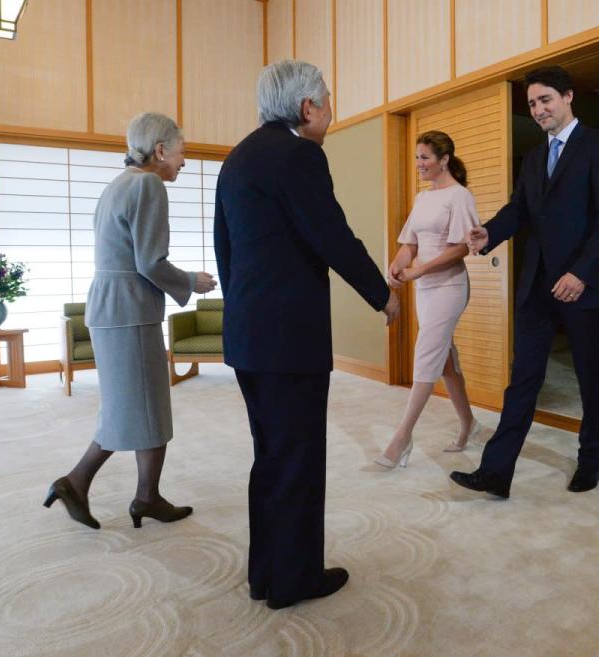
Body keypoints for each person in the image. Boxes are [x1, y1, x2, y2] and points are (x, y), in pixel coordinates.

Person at [214, 60, 400, 609]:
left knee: (270, 456)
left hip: (249, 336)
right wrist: (381, 294)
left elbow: (225, 249)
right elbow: (332, 235)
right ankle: (295, 580)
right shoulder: (300, 156)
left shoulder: (238, 156)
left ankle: (265, 573)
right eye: (327, 99)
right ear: (307, 107)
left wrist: (245, 309)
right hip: (289, 340)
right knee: (298, 458)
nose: (332, 110)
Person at [450, 66, 599, 499]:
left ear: (567, 97)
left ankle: (591, 459)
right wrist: (489, 232)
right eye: (531, 104)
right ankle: (496, 472)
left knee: (589, 376)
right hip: (537, 284)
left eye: (545, 99)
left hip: (584, 284)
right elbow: (519, 211)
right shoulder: (532, 157)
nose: (538, 109)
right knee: (523, 377)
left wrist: (580, 272)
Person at [44, 112, 217, 529]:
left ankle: (141, 495)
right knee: (142, 406)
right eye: (181, 152)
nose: (184, 161)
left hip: (111, 308)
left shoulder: (118, 185)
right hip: (129, 310)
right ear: (160, 150)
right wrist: (191, 282)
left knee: (136, 405)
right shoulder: (148, 184)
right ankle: (86, 483)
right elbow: (150, 262)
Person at [374, 131, 482, 469]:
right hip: (425, 289)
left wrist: (420, 271)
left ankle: (402, 437)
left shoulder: (460, 196)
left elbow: (462, 247)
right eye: (417, 157)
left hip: (449, 287)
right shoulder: (424, 199)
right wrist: (398, 264)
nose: (419, 164)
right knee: (444, 360)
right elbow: (411, 244)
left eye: (425, 158)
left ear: (444, 159)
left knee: (426, 352)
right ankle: (469, 423)